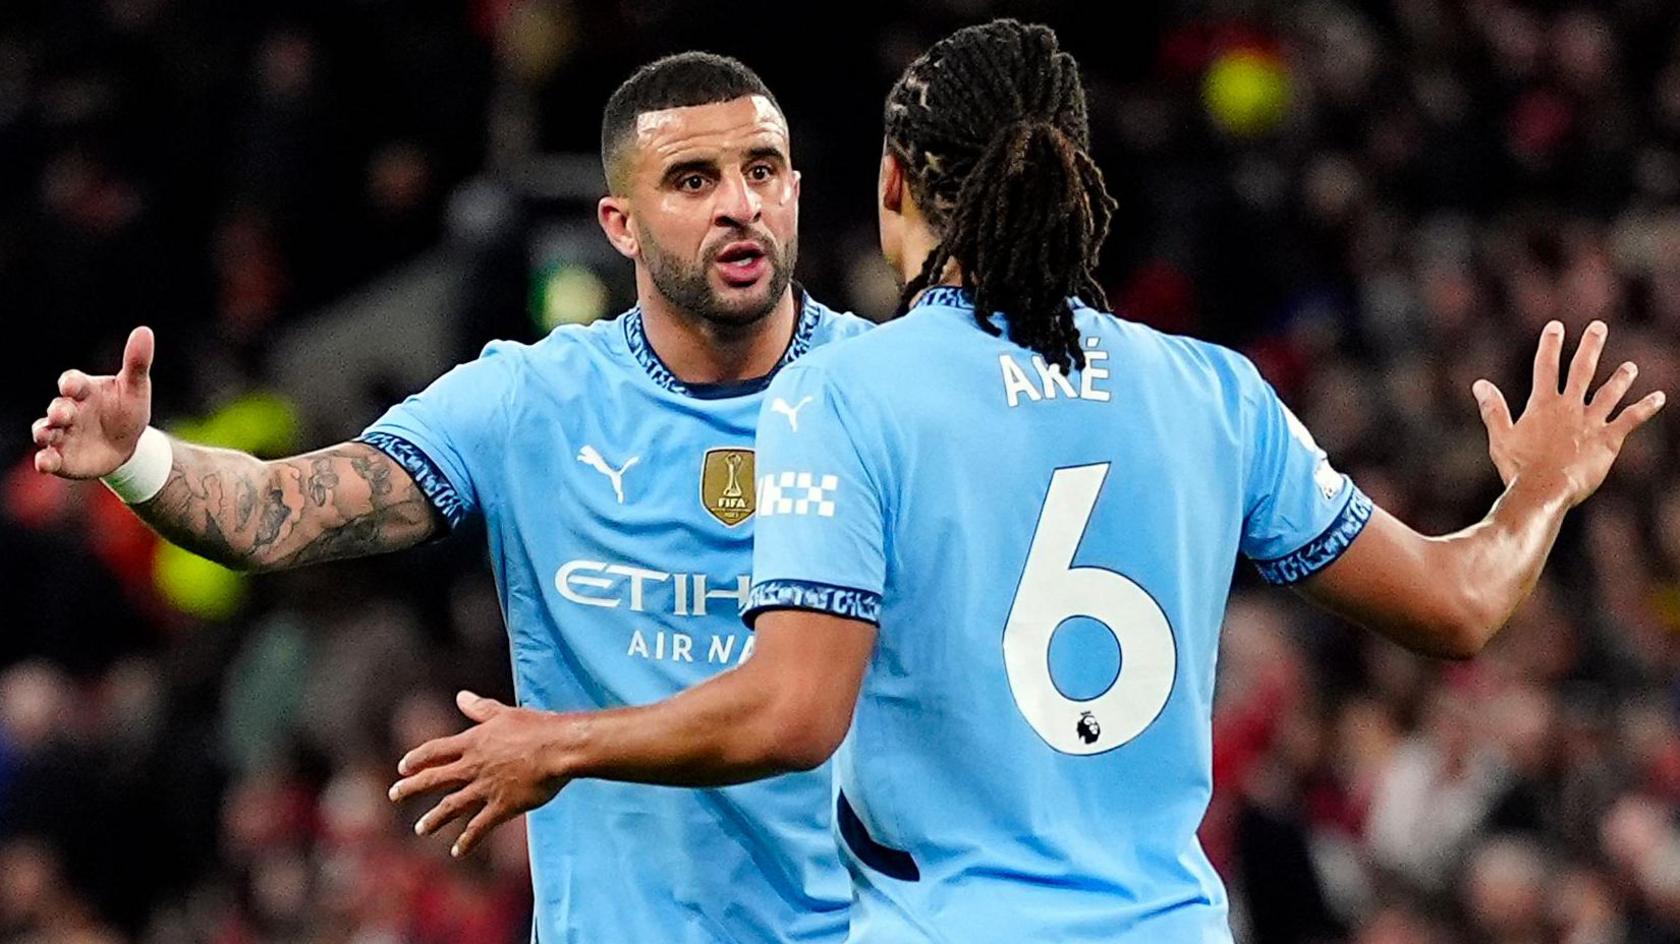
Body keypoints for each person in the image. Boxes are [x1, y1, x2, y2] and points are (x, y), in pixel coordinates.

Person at [387, 19, 1669, 943]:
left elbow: (791, 713)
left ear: (894, 185)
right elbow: (1458, 602)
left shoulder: (846, 392)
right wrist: (1541, 490)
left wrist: (562, 740)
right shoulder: (1209, 389)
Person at [31, 52, 866, 944]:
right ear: (620, 225)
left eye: (762, 170)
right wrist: (138, 458)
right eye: (693, 180)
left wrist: (559, 745)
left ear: (795, 190)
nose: (740, 204)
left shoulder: (886, 395)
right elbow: (275, 513)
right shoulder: (528, 403)